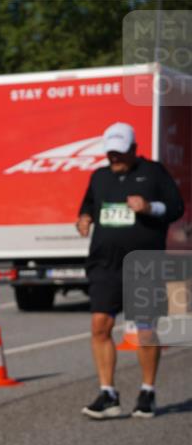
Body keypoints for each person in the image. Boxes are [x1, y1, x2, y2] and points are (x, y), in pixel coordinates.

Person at [76, 122, 184, 420]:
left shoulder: (154, 173)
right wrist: (84, 218)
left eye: (120, 152)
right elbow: (88, 206)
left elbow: (177, 207)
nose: (114, 158)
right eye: (110, 153)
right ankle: (108, 394)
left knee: (145, 330)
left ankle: (147, 390)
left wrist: (149, 208)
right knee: (100, 326)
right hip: (105, 263)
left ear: (134, 149)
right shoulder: (99, 177)